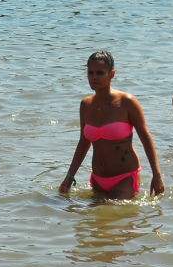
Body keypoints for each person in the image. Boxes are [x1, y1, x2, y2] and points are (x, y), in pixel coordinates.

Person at [59, 51, 164, 199]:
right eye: (91, 72)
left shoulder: (127, 102)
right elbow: (83, 142)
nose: (94, 77)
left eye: (100, 73)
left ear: (112, 74)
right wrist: (69, 177)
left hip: (125, 177)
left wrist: (157, 175)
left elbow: (145, 138)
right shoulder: (86, 105)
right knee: (93, 220)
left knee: (112, 215)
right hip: (98, 178)